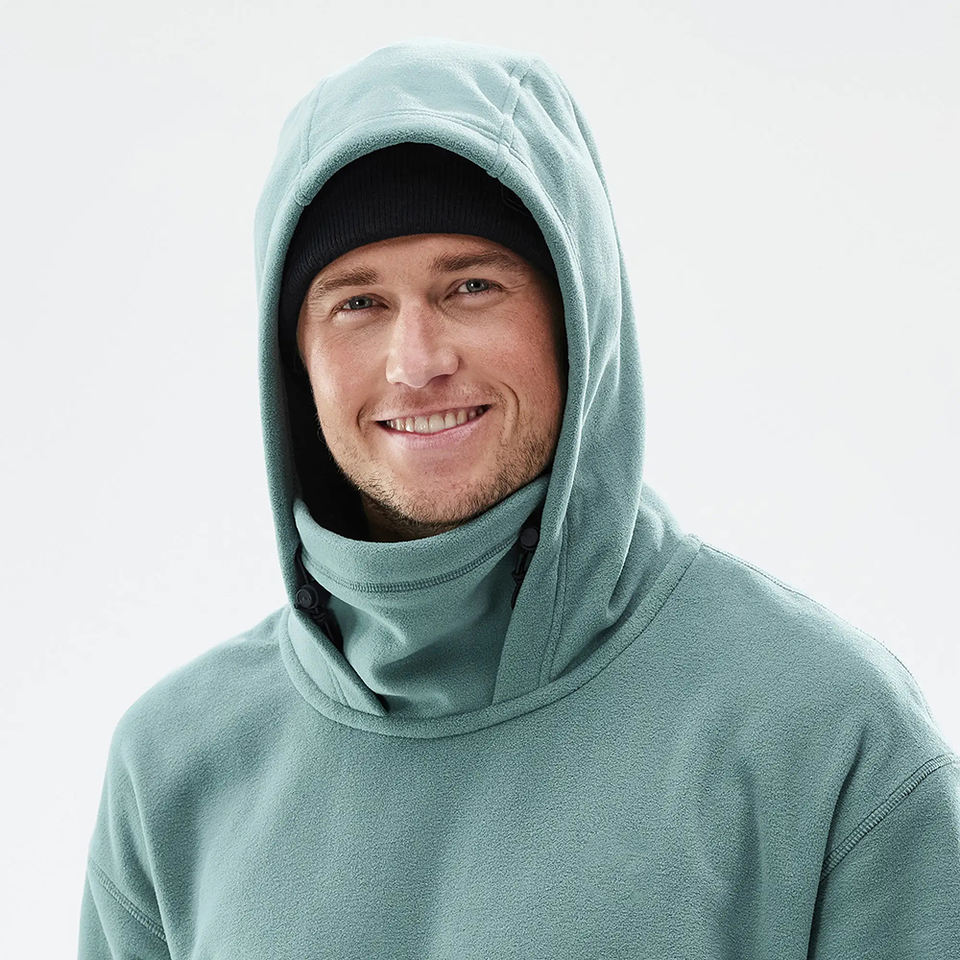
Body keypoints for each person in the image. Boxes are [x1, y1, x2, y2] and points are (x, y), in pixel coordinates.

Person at [78, 37, 960, 958]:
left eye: (471, 286)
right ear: (293, 359)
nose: (417, 362)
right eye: (357, 303)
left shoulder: (825, 738)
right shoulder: (171, 773)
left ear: (576, 317)